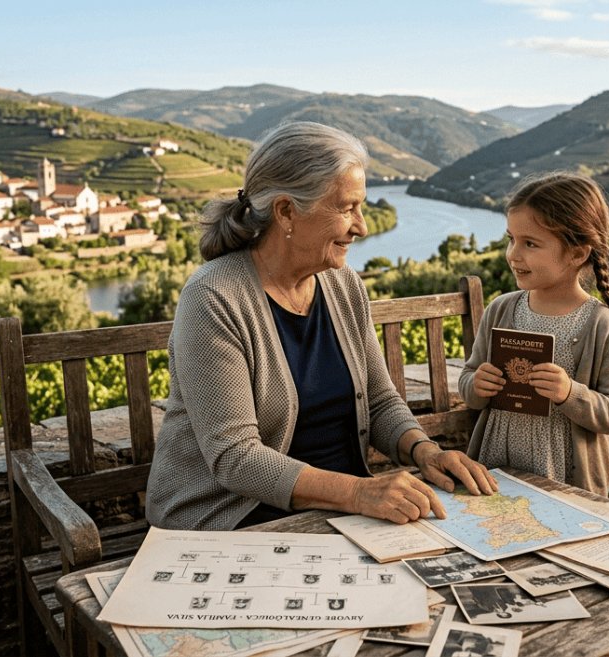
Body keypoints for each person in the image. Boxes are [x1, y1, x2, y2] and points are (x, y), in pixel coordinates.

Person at [146, 121, 497, 531]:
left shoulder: (343, 284)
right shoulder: (213, 297)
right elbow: (236, 458)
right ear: (286, 211)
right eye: (347, 208)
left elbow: (381, 401)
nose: (362, 226)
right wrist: (359, 493)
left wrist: (424, 451)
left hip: (341, 513)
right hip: (234, 520)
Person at [457, 172, 609, 495]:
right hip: (496, 473)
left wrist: (570, 393)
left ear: (576, 254)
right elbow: (469, 381)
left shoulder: (601, 325)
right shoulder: (501, 310)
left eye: (530, 243)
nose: (513, 254)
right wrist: (477, 385)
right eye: (511, 239)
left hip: (565, 487)